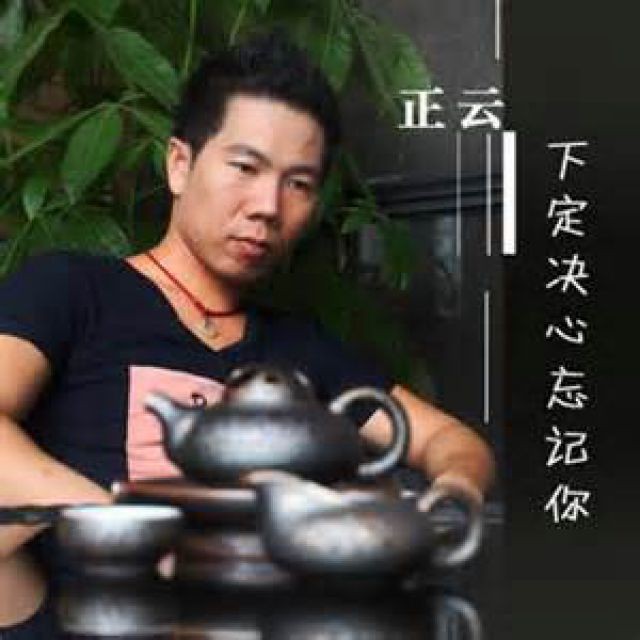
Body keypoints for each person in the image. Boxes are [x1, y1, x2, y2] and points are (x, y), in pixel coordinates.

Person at [0, 31, 494, 628]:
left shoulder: (301, 351)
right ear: (179, 164)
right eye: (245, 167)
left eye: (299, 184)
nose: (268, 206)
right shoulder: (71, 290)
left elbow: (451, 440)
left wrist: (456, 493)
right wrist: (118, 525)